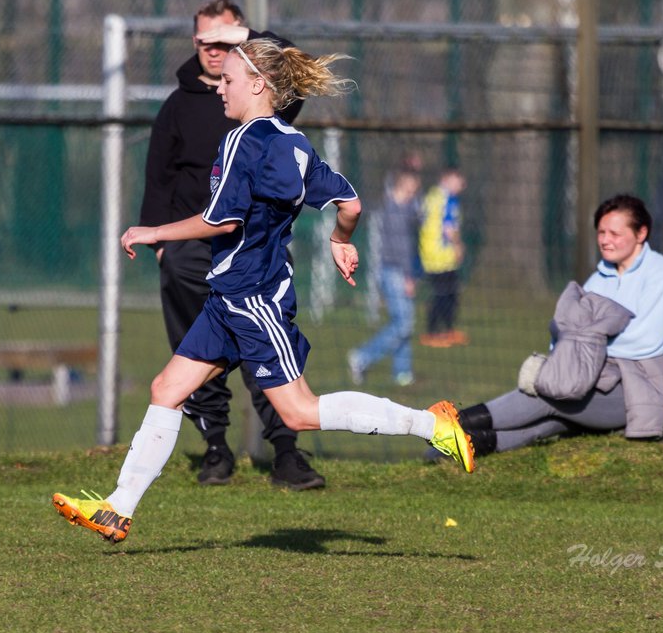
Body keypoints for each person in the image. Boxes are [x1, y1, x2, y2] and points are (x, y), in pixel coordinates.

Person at [52, 38, 476, 543]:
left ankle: (432, 425)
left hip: (253, 300)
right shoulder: (294, 142)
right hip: (228, 298)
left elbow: (221, 219)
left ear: (258, 85)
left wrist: (153, 231)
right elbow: (351, 202)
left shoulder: (243, 140)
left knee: (298, 410)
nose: (220, 91)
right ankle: (117, 509)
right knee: (166, 389)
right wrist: (341, 240)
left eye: (228, 81)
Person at [139, 0, 324, 491]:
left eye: (224, 40)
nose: (212, 49)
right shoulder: (180, 106)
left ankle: (286, 452)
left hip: (252, 253)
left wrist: (241, 41)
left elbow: (285, 62)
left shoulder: (260, 95)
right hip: (191, 249)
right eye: (203, 39)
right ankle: (214, 448)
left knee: (270, 359)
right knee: (186, 365)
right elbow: (158, 180)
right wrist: (160, 240)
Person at [447, 195, 663, 458]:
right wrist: (568, 357)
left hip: (640, 391)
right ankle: (460, 446)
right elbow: (567, 334)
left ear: (641, 233)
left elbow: (646, 341)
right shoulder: (597, 280)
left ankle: (451, 422)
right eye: (601, 232)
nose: (606, 240)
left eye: (615, 233)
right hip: (593, 380)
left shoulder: (662, 275)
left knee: (549, 396)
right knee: (550, 422)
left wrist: (580, 352)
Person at [348, 168, 421, 387]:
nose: (416, 191)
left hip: (394, 271)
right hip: (395, 272)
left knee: (403, 321)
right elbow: (401, 249)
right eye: (413, 186)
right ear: (404, 184)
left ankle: (402, 373)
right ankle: (362, 356)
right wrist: (409, 276)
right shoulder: (395, 210)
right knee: (404, 324)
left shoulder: (402, 207)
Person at [418, 168, 467, 348]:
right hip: (439, 255)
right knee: (442, 295)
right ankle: (431, 333)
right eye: (457, 179)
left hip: (437, 254)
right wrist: (458, 246)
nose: (462, 184)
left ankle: (448, 330)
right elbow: (448, 227)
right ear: (445, 179)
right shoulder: (444, 199)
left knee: (450, 294)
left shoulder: (435, 196)